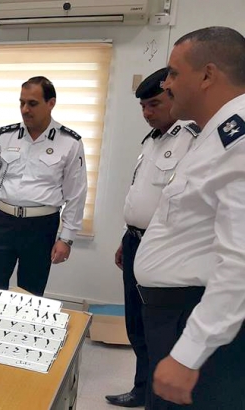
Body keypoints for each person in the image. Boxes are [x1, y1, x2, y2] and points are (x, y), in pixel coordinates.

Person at [133, 26, 245, 409]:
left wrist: (189, 352)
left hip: (195, 319)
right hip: (176, 313)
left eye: (174, 73)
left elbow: (240, 260)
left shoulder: (237, 141)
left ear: (208, 75)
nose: (166, 84)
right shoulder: (212, 137)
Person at [105, 68, 199, 408]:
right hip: (135, 241)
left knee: (160, 328)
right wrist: (125, 236)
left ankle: (159, 399)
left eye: (154, 104)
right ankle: (142, 389)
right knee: (136, 324)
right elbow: (143, 197)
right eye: (143, 107)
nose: (147, 113)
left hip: (164, 247)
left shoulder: (192, 139)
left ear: (173, 97)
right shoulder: (152, 141)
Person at [0, 76, 87, 296]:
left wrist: (66, 238)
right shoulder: (6, 136)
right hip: (1, 222)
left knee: (30, 294)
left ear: (51, 103)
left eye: (32, 103)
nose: (25, 109)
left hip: (40, 226)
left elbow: (76, 194)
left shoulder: (69, 142)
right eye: (22, 103)